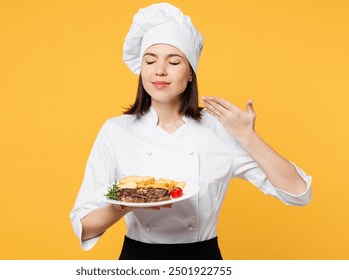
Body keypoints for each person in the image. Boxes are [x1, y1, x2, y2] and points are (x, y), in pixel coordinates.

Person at [70, 3, 312, 260]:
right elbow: (85, 225)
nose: (160, 70)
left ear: (190, 75)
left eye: (174, 61)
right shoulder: (115, 131)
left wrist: (249, 138)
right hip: (138, 259)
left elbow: (299, 193)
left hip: (202, 259)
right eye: (150, 60)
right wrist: (126, 203)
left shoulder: (221, 129)